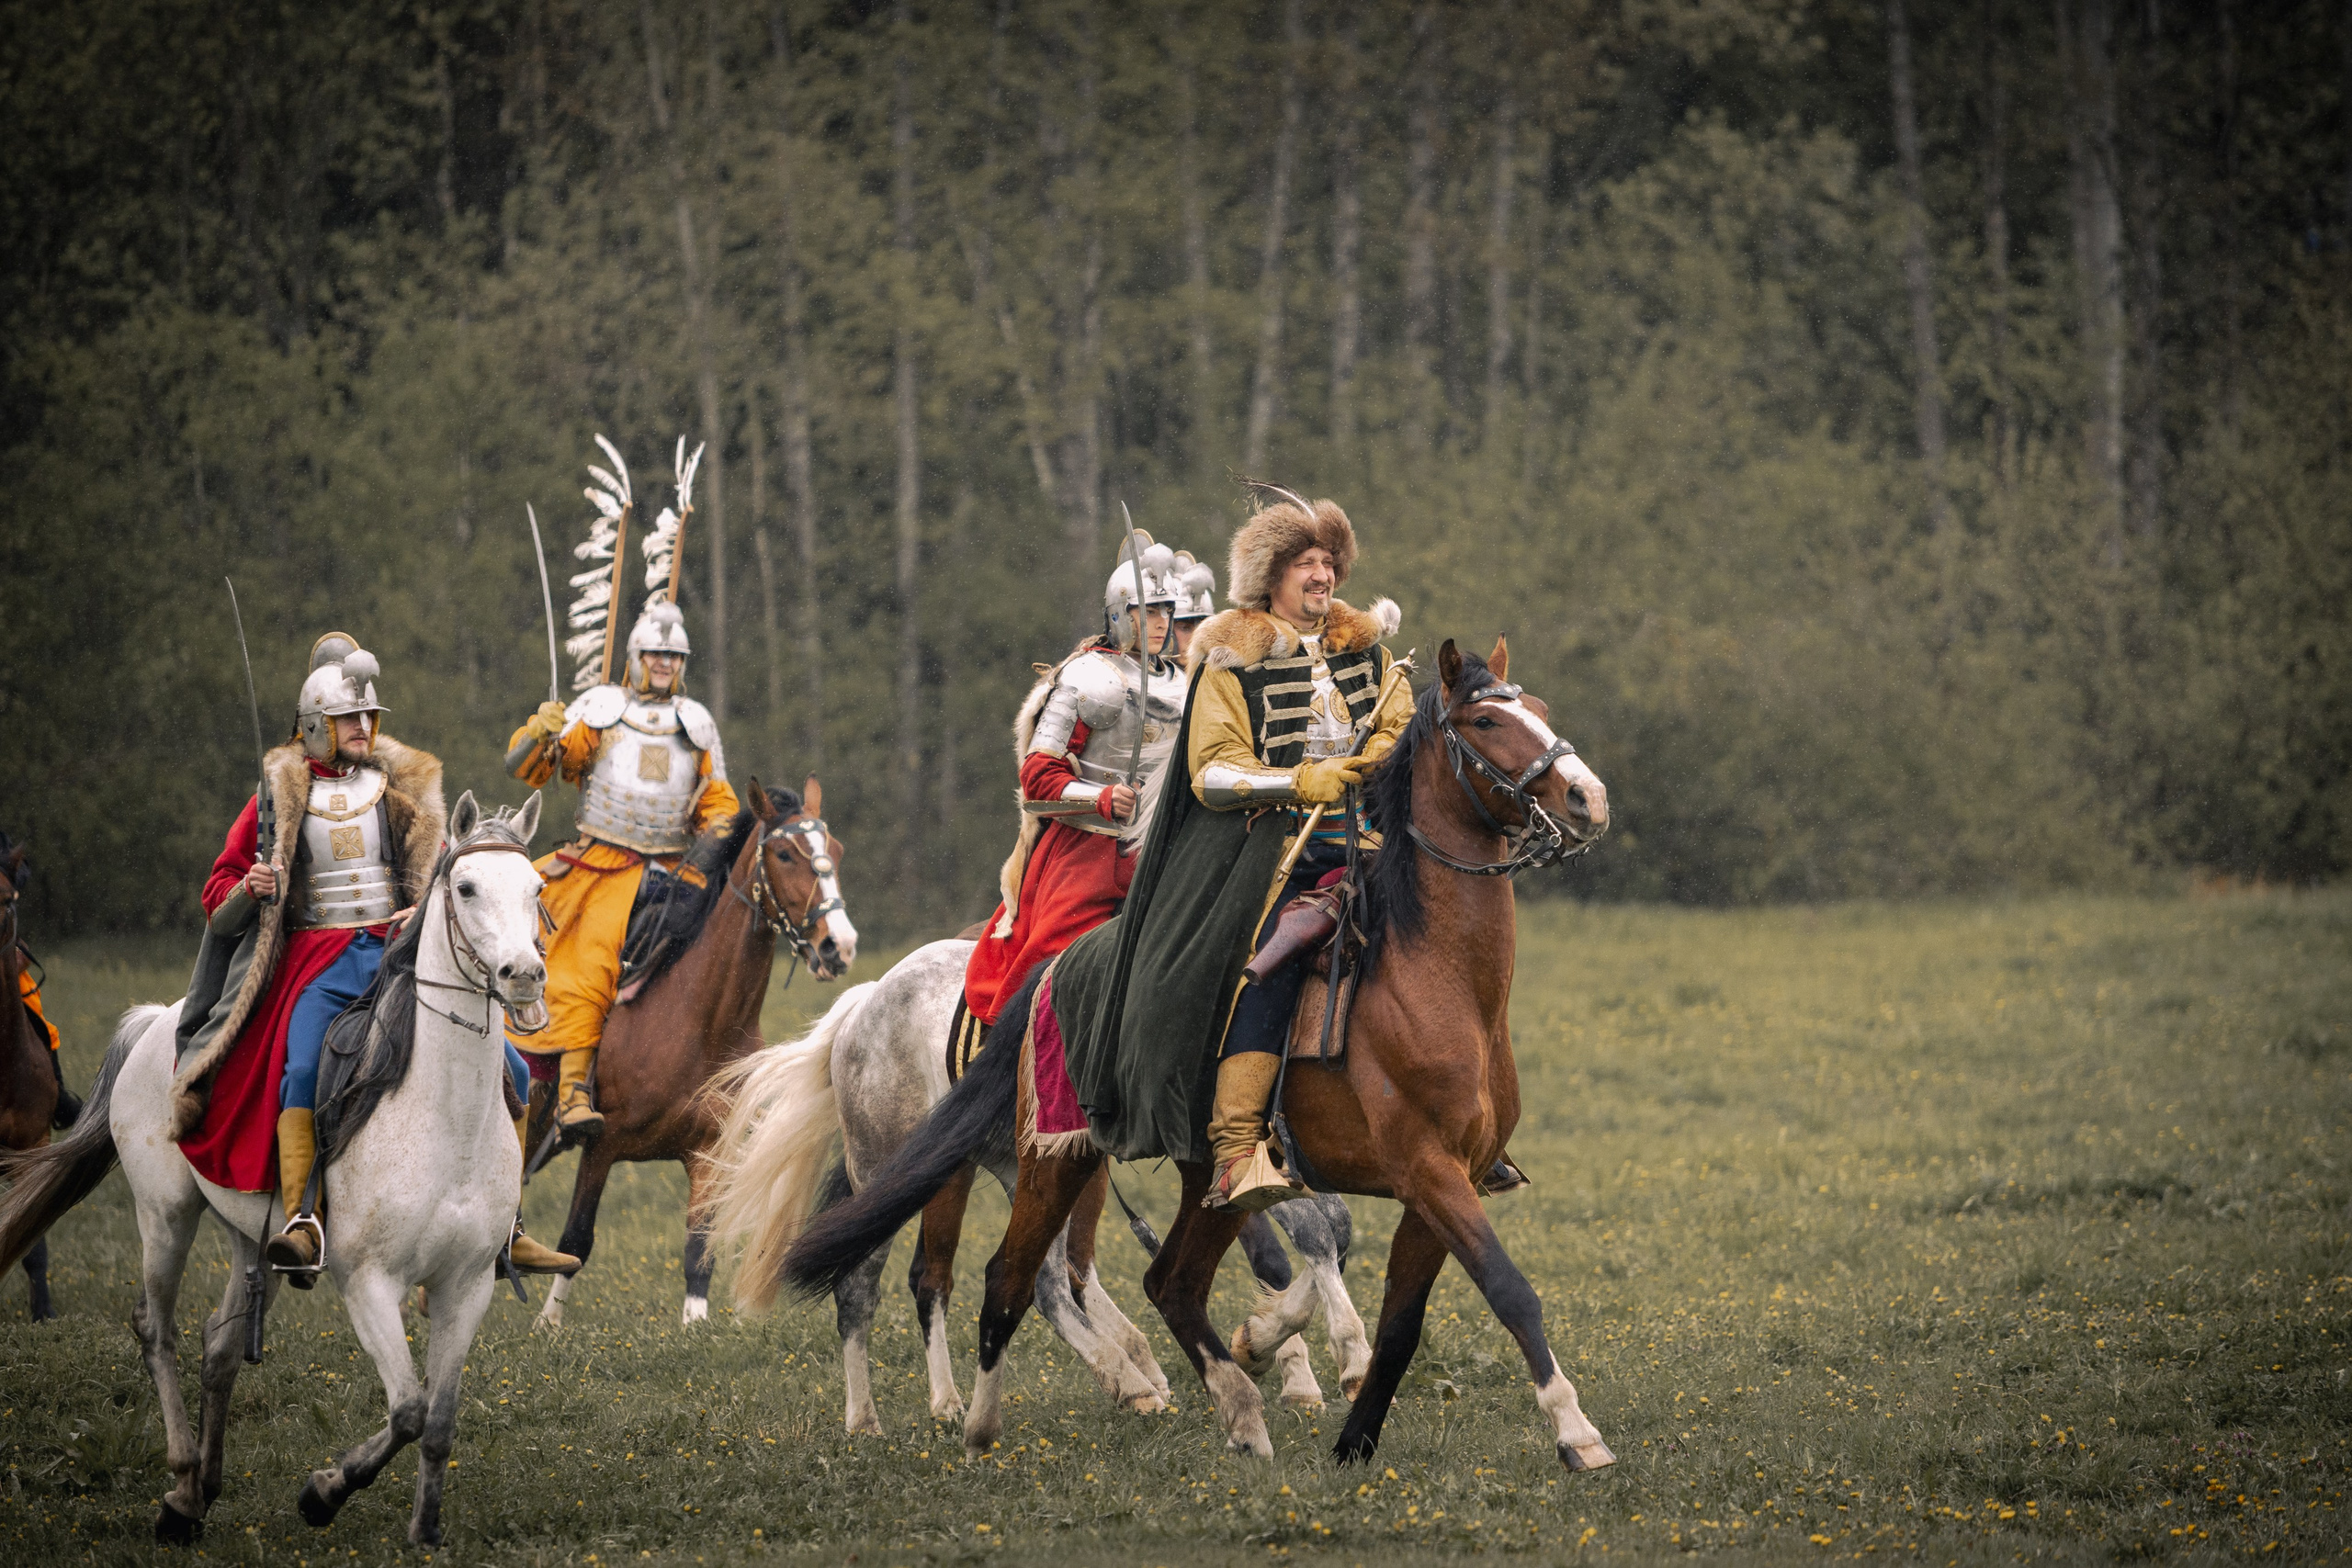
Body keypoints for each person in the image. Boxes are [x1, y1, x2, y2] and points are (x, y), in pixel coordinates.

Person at [172, 637, 575, 1278]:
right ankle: (305, 1217)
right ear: (315, 726)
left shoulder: (397, 790)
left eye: (368, 717)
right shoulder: (278, 796)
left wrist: (425, 905)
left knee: (516, 1072)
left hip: (398, 952)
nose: (363, 728)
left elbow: (448, 871)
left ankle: (508, 1227)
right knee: (303, 1066)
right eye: (347, 719)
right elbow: (217, 891)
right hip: (315, 961)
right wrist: (254, 886)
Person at [504, 601, 739, 1140]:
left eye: (673, 656)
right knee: (556, 945)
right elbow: (535, 770)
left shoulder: (695, 724)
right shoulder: (602, 710)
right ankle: (565, 1092)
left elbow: (717, 801)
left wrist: (720, 836)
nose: (664, 664)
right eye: (656, 654)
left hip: (670, 870)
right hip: (598, 865)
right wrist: (541, 734)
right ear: (636, 656)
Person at [962, 536, 1196, 1030]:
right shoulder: (1089, 677)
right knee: (1052, 972)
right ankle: (1014, 1067)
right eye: (1146, 611)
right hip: (1090, 851)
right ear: (1119, 612)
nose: (1159, 622)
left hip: (1164, 849)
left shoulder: (1185, 682)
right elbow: (1038, 780)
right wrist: (1103, 799)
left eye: (1165, 611)